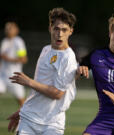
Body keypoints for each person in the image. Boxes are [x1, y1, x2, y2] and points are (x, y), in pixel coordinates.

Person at [7, 7, 78, 135]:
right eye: (56, 29)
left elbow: (57, 94)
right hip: (29, 120)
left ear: (71, 31)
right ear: (50, 28)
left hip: (52, 124)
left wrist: (29, 81)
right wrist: (22, 110)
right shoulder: (46, 50)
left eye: (64, 30)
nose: (60, 34)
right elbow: (38, 88)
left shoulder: (68, 58)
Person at [0, 21, 28, 107]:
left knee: (21, 100)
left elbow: (23, 59)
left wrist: (8, 59)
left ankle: (26, 117)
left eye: (10, 28)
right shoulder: (4, 42)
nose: (8, 30)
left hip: (15, 76)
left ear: (16, 30)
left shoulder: (18, 42)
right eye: (7, 29)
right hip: (2, 75)